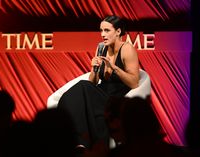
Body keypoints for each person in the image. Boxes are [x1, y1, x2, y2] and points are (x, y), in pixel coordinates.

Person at [57, 15, 139, 152]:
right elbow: (93, 82)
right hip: (100, 92)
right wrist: (94, 69)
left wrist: (114, 68)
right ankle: (78, 143)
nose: (102, 35)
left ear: (118, 31)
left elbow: (134, 83)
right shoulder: (101, 48)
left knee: (82, 86)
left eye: (107, 31)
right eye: (101, 31)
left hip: (116, 97)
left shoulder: (127, 49)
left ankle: (82, 141)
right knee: (74, 95)